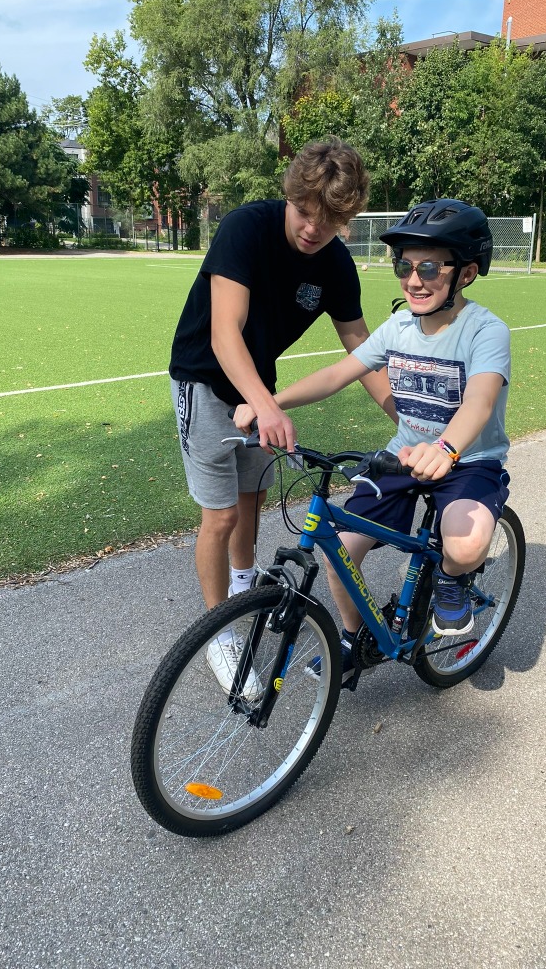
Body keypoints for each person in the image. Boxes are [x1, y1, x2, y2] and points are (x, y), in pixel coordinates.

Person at [238, 198, 511, 682]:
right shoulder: (398, 327)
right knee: (339, 546)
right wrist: (269, 403)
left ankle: (450, 583)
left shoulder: (485, 330)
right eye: (404, 265)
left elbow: (480, 402)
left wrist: (447, 448)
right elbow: (339, 373)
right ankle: (353, 638)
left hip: (468, 459)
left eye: (429, 267)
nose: (413, 279)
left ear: (465, 274)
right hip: (403, 455)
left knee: (466, 548)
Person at [169, 138, 394, 696]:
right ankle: (216, 634)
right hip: (205, 376)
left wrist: (403, 412)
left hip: (257, 388)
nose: (314, 228)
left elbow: (359, 346)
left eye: (331, 219)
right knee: (219, 516)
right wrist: (267, 405)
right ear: (289, 196)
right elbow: (225, 334)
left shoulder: (336, 264)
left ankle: (245, 590)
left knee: (253, 501)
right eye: (306, 212)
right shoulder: (246, 229)